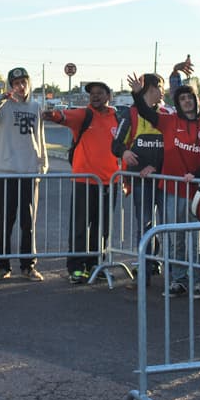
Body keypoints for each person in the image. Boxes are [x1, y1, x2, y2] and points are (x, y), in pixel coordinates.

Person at [128, 73, 200, 298]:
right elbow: (145, 112)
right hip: (172, 190)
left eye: (190, 98)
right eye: (182, 98)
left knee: (197, 240)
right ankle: (178, 280)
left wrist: (195, 174)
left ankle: (197, 281)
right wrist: (137, 94)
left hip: (197, 191)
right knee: (175, 238)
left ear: (195, 101)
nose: (186, 101)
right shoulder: (169, 121)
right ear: (178, 102)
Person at [45, 81, 120, 284]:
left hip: (110, 182)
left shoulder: (118, 118)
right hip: (84, 181)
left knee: (102, 229)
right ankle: (76, 268)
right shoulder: (83, 115)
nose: (95, 96)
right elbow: (62, 117)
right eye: (92, 94)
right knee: (80, 227)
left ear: (108, 96)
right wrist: (51, 114)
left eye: (99, 93)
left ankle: (96, 265)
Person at [0, 67, 48, 281]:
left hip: (29, 173)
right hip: (6, 173)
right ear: (11, 85)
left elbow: (40, 136)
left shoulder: (36, 107)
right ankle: (3, 266)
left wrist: (43, 164)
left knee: (28, 223)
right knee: (4, 222)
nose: (21, 85)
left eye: (24, 81)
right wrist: (2, 96)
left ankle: (28, 265)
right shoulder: (3, 106)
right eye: (16, 82)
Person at [112, 73, 167, 281]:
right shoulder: (130, 114)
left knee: (166, 224)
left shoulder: (166, 113)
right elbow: (115, 144)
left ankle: (161, 266)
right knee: (144, 224)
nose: (163, 91)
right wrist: (123, 153)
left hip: (164, 179)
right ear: (150, 89)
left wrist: (155, 166)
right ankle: (145, 268)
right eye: (160, 87)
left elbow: (170, 148)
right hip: (139, 181)